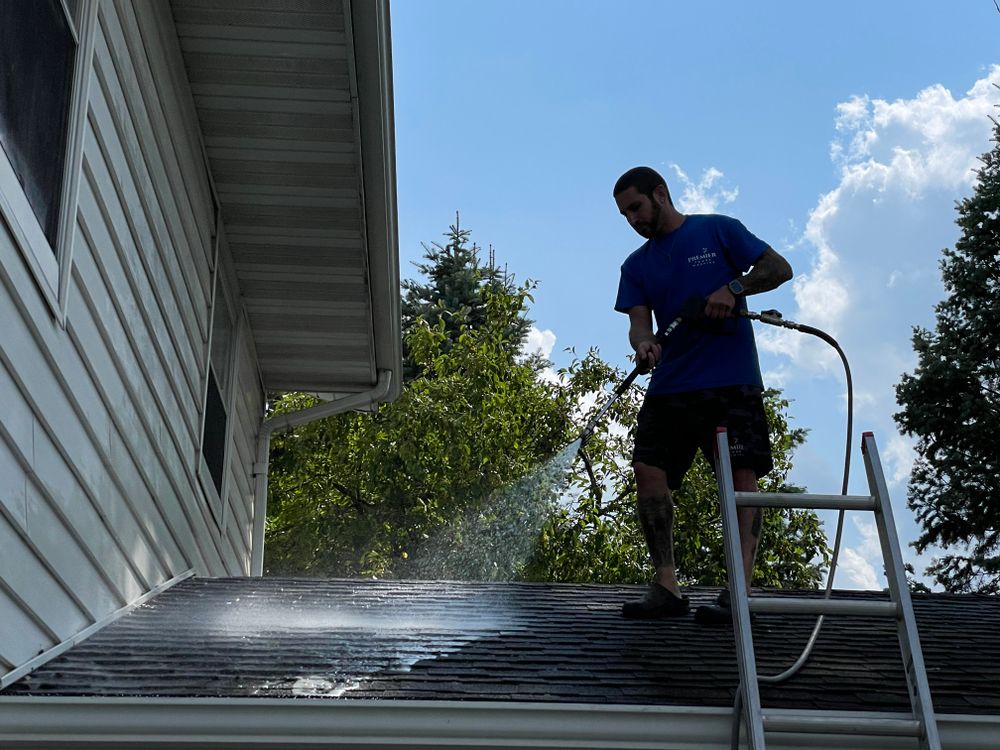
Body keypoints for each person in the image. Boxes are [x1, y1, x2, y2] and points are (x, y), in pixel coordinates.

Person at [612, 166, 793, 623]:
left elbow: (778, 268)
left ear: (660, 193)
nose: (632, 219)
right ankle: (667, 587)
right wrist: (644, 344)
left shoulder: (718, 230)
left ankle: (738, 595)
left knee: (740, 482)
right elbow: (638, 324)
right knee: (648, 472)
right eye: (624, 214)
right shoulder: (636, 266)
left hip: (730, 381)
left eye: (636, 207)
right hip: (670, 385)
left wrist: (734, 288)